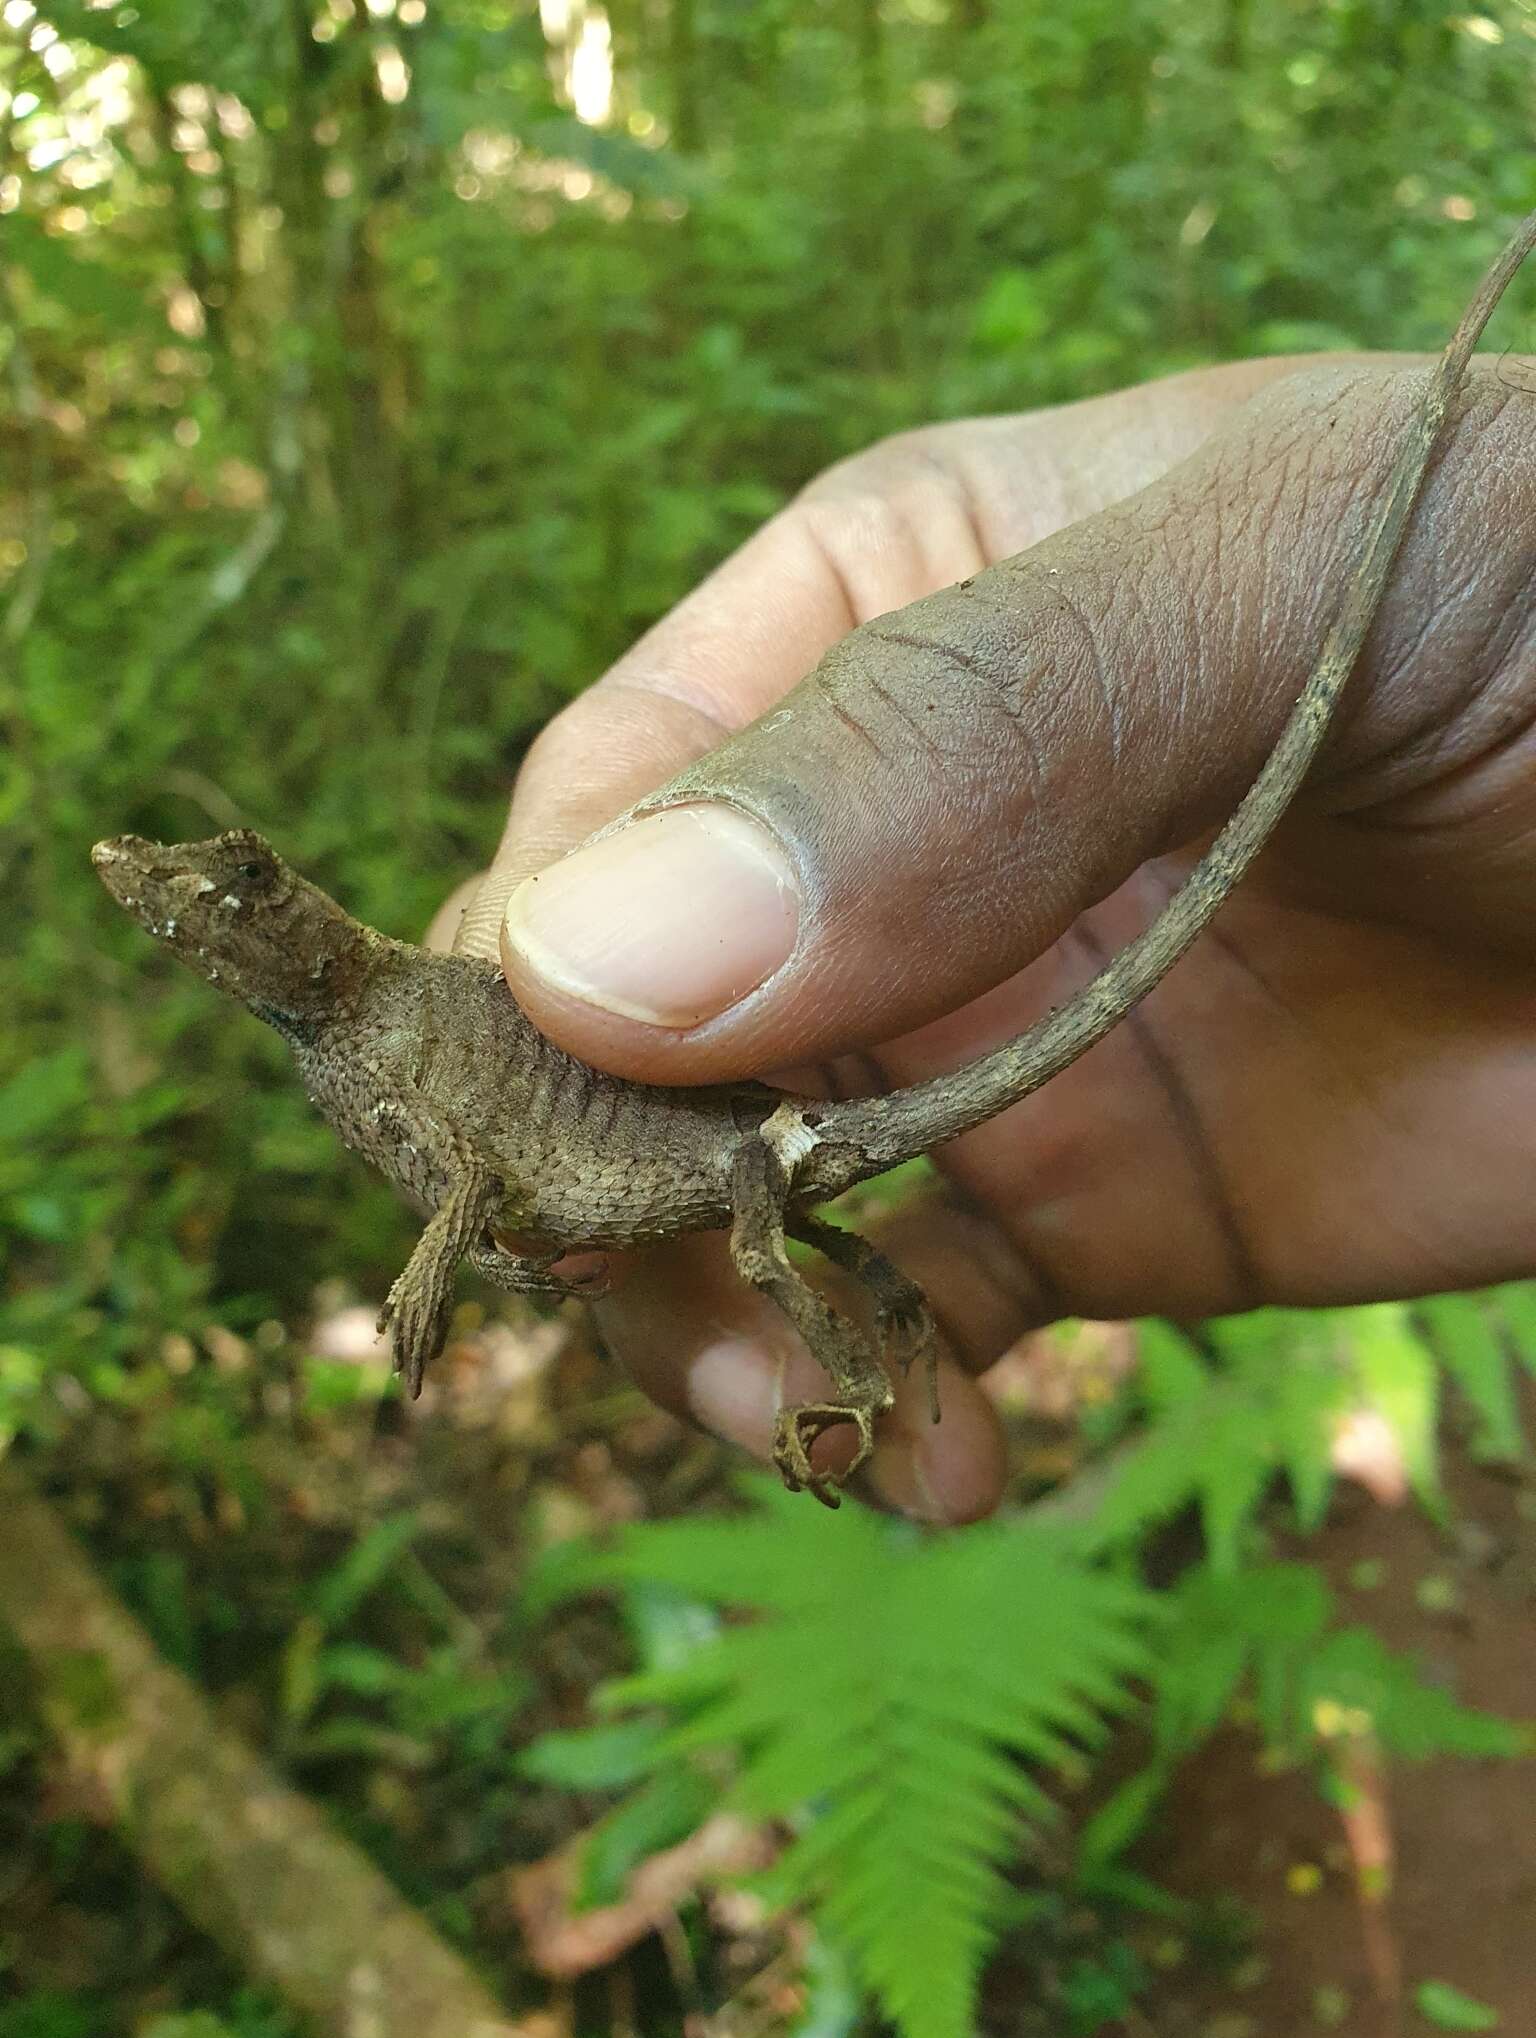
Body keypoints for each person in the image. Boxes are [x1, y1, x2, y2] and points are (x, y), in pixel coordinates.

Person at [429, 353, 1536, 1525]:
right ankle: (857, 1354)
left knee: (761, 1262)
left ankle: (854, 1366)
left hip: (756, 1146)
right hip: (753, 1143)